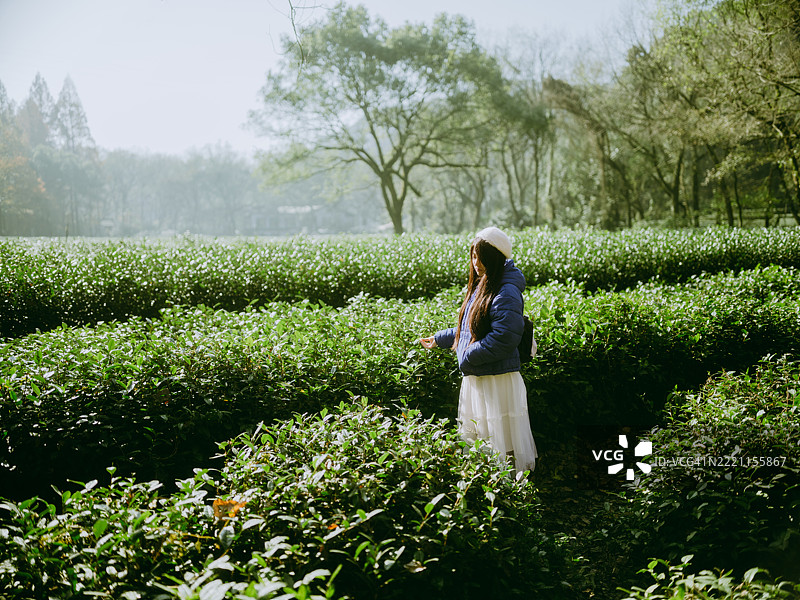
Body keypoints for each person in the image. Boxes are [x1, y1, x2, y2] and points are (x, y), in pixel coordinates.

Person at [419, 226, 538, 475]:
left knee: (501, 437)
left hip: (497, 378)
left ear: (497, 258)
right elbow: (473, 326)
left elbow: (504, 338)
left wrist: (468, 355)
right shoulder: (484, 284)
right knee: (483, 436)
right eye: (474, 256)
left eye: (482, 257)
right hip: (481, 375)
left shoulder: (505, 291)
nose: (477, 263)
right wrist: (441, 339)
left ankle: (511, 492)